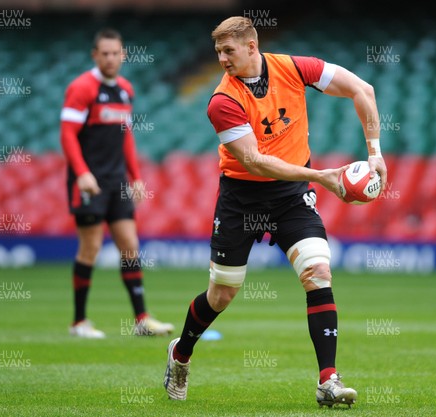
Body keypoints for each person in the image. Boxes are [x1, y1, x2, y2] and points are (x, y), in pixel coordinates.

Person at [163, 17, 387, 407]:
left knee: (318, 272)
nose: (221, 59)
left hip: (290, 197)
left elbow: (361, 89)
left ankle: (328, 381)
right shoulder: (222, 101)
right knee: (222, 294)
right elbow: (254, 162)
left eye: (228, 50)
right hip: (241, 198)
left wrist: (375, 152)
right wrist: (323, 176)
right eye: (217, 52)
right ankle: (181, 353)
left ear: (252, 46)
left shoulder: (294, 67)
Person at [60, 28, 174, 338]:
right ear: (95, 56)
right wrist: (83, 173)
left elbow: (126, 136)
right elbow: (67, 133)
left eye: (115, 53)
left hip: (116, 182)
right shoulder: (82, 88)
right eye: (105, 53)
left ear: (123, 55)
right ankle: (79, 323)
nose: (111, 58)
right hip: (88, 182)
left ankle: (142, 319)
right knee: (91, 247)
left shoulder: (125, 89)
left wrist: (135, 177)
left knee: (129, 246)